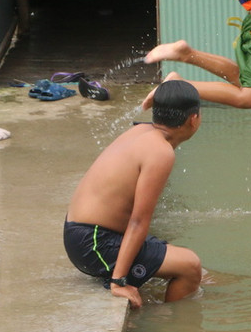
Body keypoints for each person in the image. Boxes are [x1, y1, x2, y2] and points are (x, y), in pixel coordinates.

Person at [64, 79, 203, 308]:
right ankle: (167, 325)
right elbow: (139, 221)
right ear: (193, 119)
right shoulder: (160, 152)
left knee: (201, 272)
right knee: (191, 267)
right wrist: (118, 282)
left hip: (84, 234)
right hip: (93, 243)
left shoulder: (142, 130)